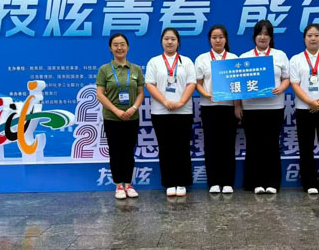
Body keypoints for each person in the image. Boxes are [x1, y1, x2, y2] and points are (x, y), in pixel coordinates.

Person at [239, 20, 290, 194]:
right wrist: (237, 105)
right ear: (254, 37)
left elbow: (286, 78)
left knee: (271, 144)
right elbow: (237, 84)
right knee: (254, 145)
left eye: (266, 34)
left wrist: (281, 88)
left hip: (274, 107)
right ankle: (255, 183)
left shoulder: (279, 55)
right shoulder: (245, 57)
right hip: (251, 108)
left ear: (271, 37)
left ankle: (272, 183)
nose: (263, 37)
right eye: (260, 34)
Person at [145, 28, 196, 197]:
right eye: (166, 39)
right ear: (161, 41)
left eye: (173, 39)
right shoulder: (154, 62)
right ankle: (169, 182)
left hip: (183, 111)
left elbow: (191, 83)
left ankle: (182, 182)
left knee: (182, 147)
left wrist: (181, 102)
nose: (169, 42)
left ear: (178, 42)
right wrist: (165, 101)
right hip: (160, 111)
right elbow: (150, 84)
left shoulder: (186, 61)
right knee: (166, 147)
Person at [289, 24, 319, 195]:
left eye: (316, 35)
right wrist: (310, 102)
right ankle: (309, 183)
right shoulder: (296, 59)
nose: (313, 38)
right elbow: (295, 84)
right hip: (304, 108)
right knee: (305, 147)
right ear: (304, 38)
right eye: (309, 35)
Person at [95, 33, 145, 200]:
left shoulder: (136, 69)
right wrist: (116, 111)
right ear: (110, 48)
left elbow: (141, 93)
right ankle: (118, 185)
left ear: (128, 47)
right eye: (115, 45)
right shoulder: (104, 70)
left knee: (129, 151)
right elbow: (100, 94)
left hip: (132, 116)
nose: (119, 48)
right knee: (115, 152)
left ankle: (129, 184)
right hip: (112, 117)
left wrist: (134, 108)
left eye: (122, 44)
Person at [195, 25, 241, 194]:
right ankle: (213, 181)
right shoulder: (202, 59)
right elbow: (198, 84)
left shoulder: (233, 58)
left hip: (228, 108)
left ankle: (227, 182)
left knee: (228, 145)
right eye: (214, 37)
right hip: (209, 107)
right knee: (211, 145)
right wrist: (207, 95)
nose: (218, 40)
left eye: (221, 37)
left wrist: (237, 105)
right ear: (210, 40)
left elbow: (238, 85)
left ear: (226, 39)